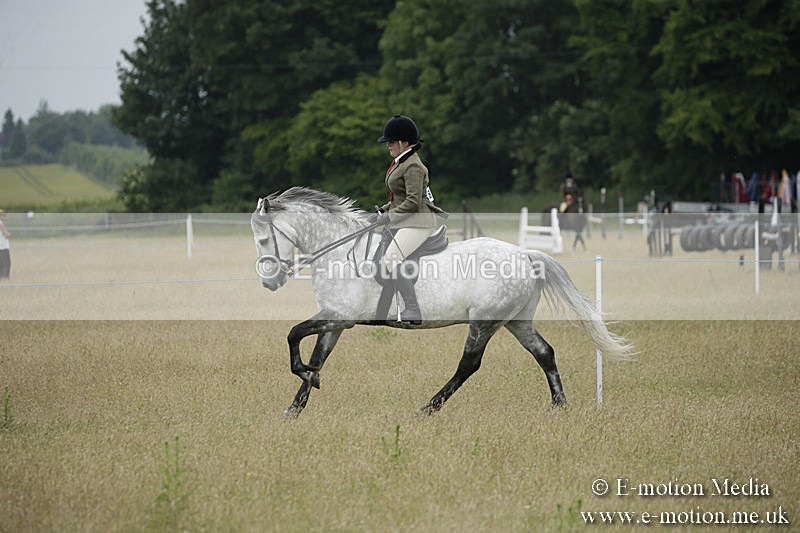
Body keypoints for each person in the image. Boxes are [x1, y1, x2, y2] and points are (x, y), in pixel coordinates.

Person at [372, 114, 447, 324]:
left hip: (418, 222)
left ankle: (413, 310)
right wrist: (383, 211)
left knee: (390, 259)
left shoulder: (413, 166)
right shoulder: (401, 162)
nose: (388, 146)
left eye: (391, 142)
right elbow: (399, 198)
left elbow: (413, 202)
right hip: (407, 219)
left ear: (404, 143)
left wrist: (390, 217)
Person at [0, 209, 10, 279]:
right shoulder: (1, 223)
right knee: (6, 262)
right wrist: (8, 234)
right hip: (3, 246)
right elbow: (6, 234)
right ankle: (5, 276)